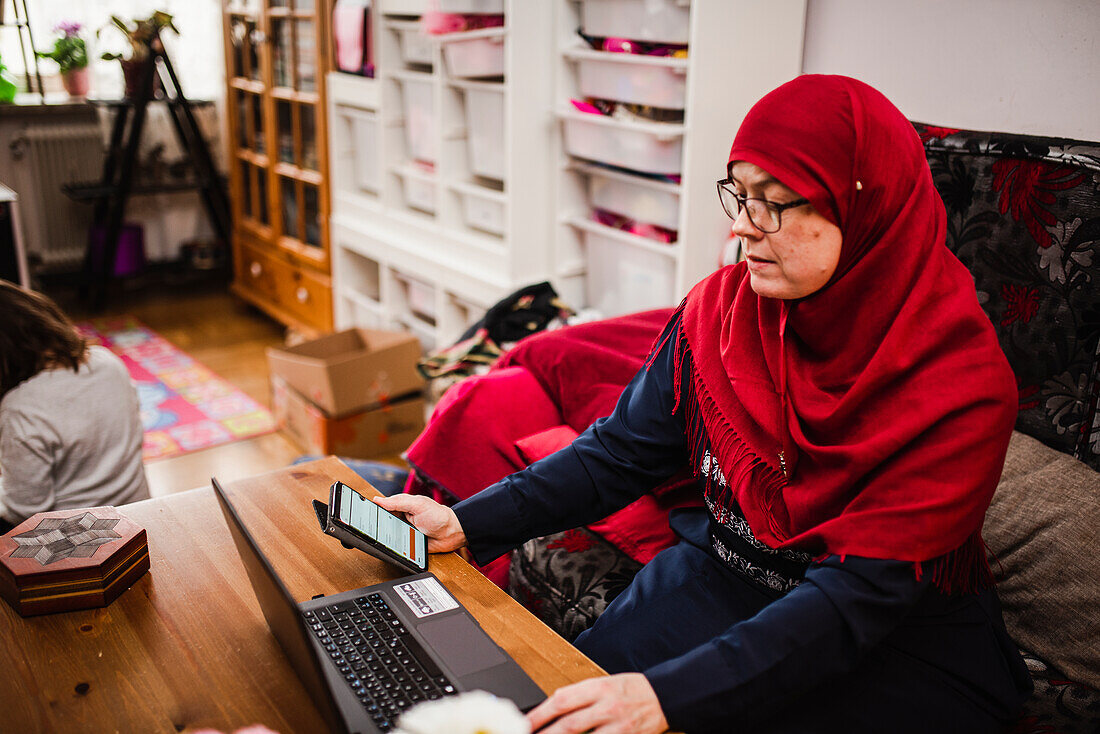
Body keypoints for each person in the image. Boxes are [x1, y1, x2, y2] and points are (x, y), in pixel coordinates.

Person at [375, 75, 1033, 733]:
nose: (744, 227)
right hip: (727, 573)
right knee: (573, 703)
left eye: (775, 203)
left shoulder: (960, 387)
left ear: (867, 209)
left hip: (888, 634)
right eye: (741, 194)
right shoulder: (722, 313)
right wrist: (467, 522)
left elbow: (856, 597)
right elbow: (618, 454)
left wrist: (666, 698)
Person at [0, 282, 149, 532]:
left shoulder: (20, 408)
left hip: (80, 541)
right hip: (136, 517)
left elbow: (25, 511)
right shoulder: (108, 362)